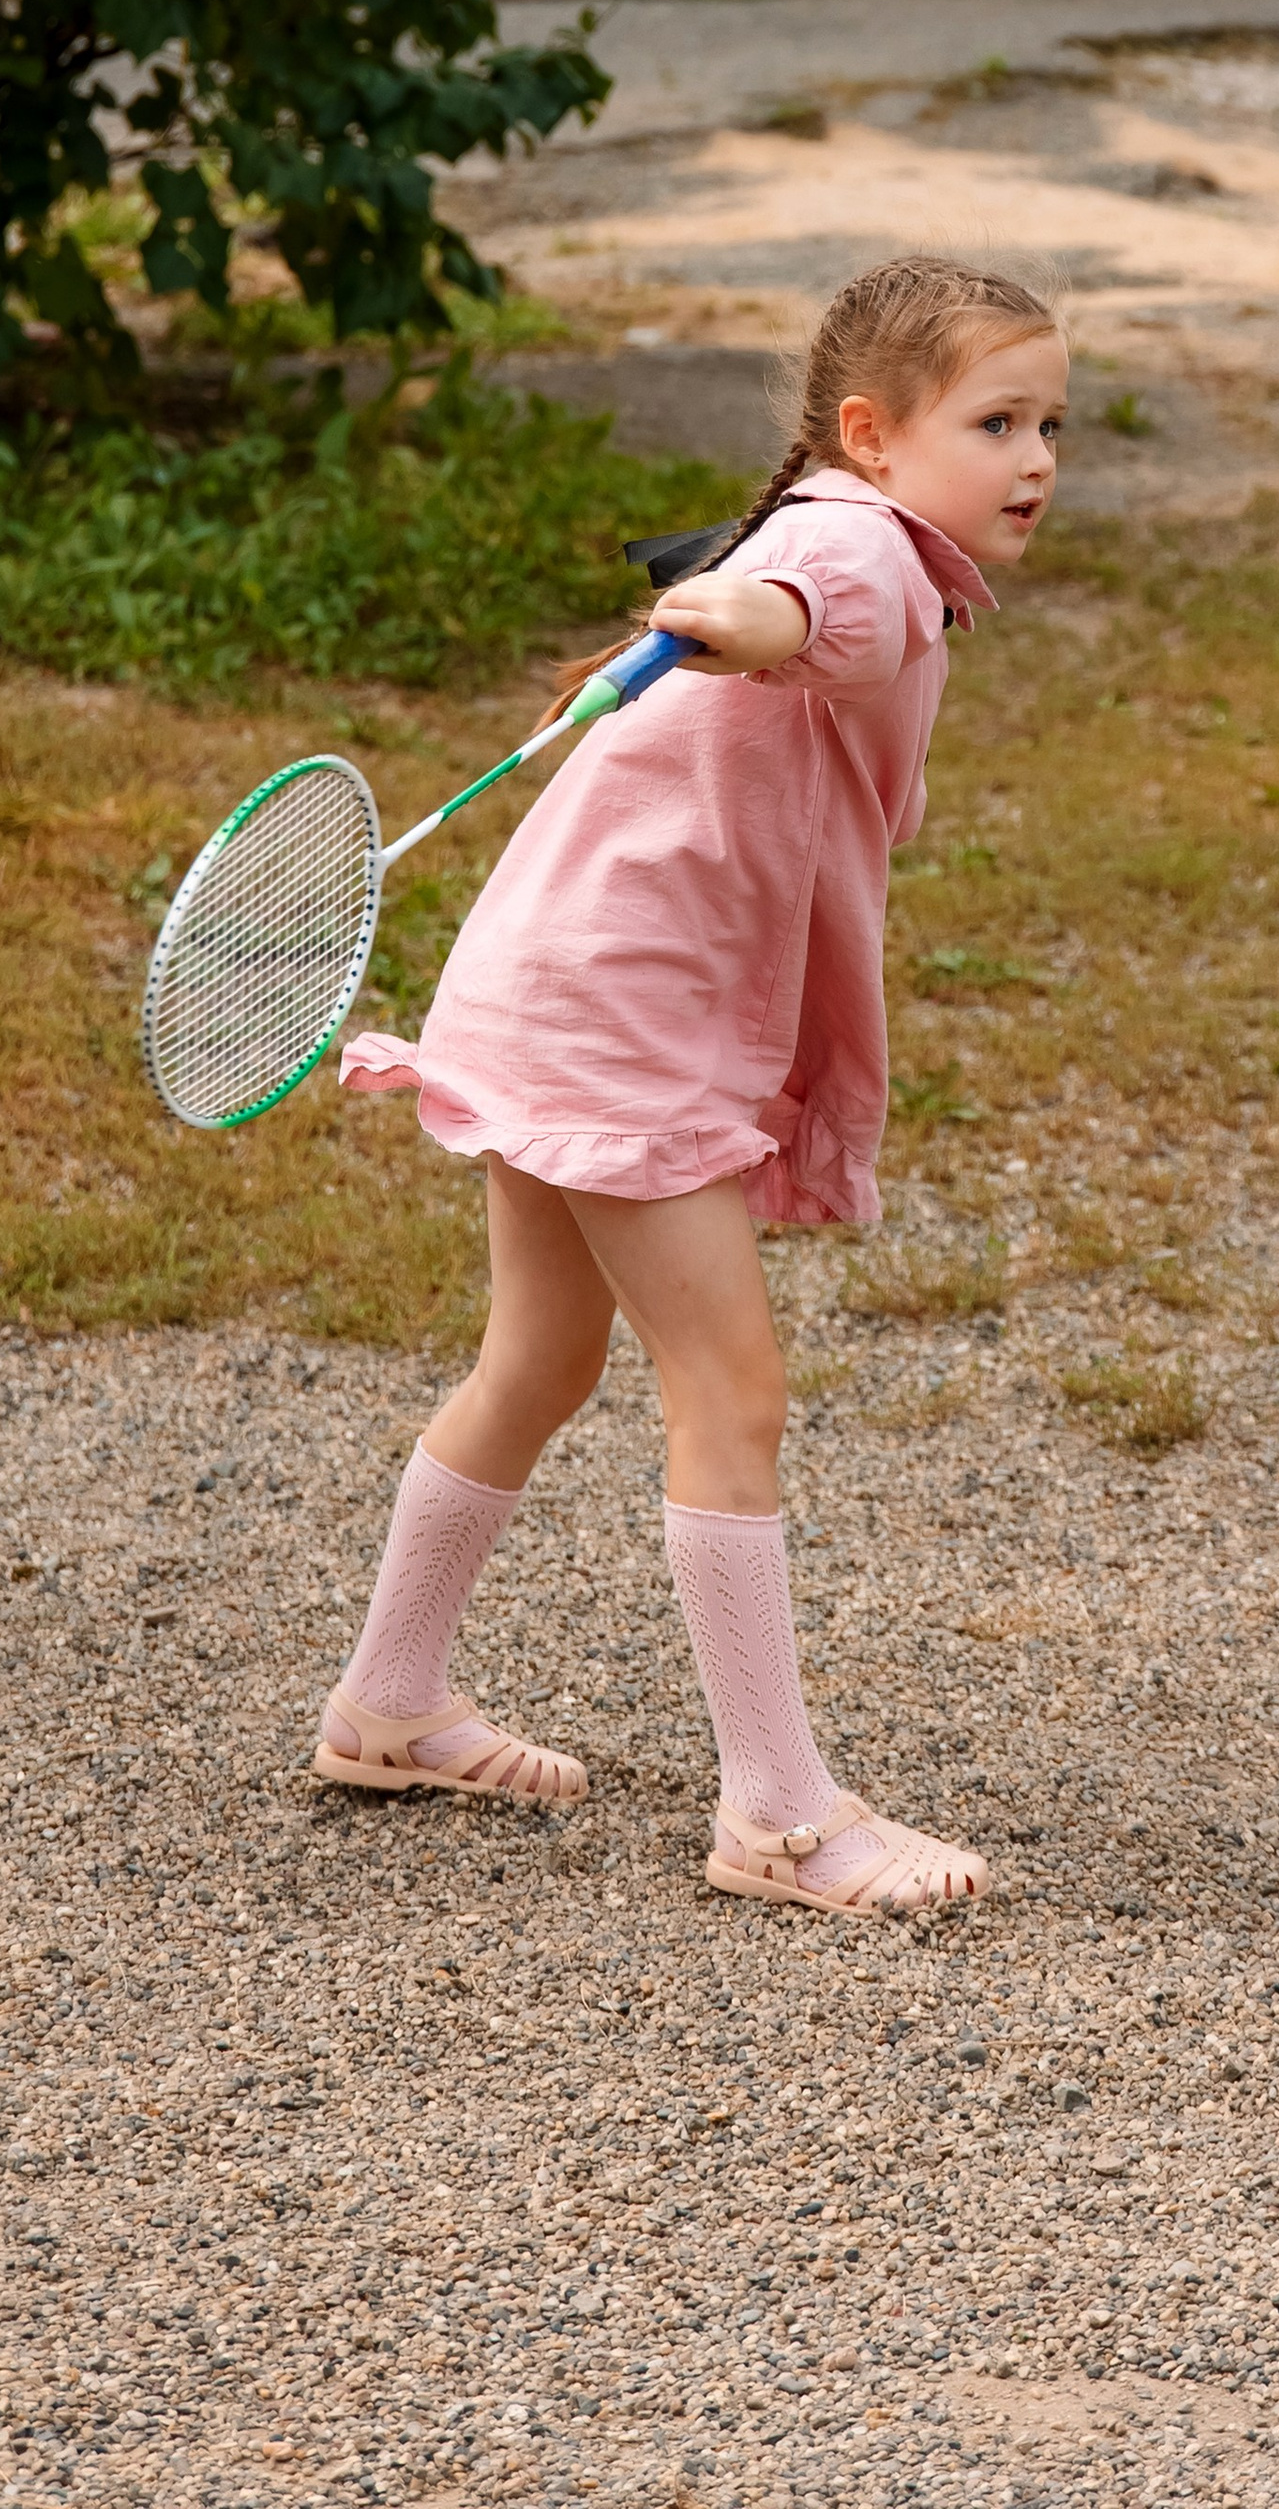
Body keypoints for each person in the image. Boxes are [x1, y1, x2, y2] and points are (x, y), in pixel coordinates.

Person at [317, 254, 1066, 1919]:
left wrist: (737, 611)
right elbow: (820, 619)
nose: (1035, 459)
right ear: (871, 434)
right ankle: (781, 1819)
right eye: (996, 420)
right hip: (615, 1024)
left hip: (555, 989)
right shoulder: (848, 547)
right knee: (731, 1394)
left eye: (1051, 424)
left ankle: (389, 1702)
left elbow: (792, 621)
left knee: (538, 1357)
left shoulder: (819, 526)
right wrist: (750, 618)